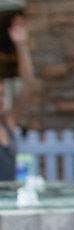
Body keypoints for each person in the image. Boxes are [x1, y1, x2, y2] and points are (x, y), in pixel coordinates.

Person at [1, 15, 40, 180]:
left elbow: (28, 84)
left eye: (1, 94)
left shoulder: (7, 121)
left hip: (9, 202)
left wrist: (21, 45)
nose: (0, 99)